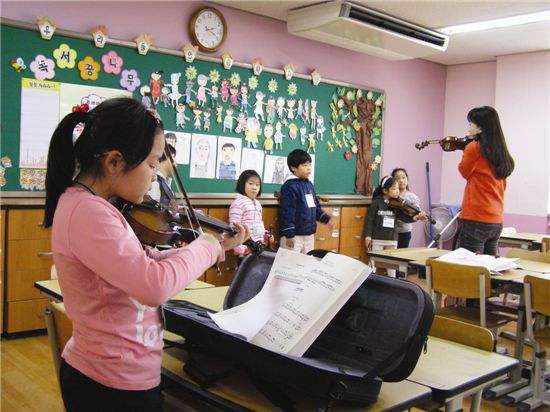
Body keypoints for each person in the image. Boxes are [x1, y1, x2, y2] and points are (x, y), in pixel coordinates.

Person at [43, 97, 248, 412]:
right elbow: (152, 286)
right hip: (109, 385)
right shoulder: (88, 212)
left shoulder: (93, 206)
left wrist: (216, 248)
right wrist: (204, 246)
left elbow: (144, 261)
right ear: (114, 161)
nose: (155, 175)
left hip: (116, 376)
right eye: (152, 163)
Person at [458, 105, 514, 256]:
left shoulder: (474, 148)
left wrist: (466, 148)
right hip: (496, 220)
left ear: (481, 128)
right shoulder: (500, 152)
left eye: (471, 124)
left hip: (476, 217)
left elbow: (464, 172)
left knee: (469, 268)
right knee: (488, 270)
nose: (469, 127)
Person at [364, 176, 427, 276]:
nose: (397, 191)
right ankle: (367, 280)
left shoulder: (397, 205)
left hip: (392, 239)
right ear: (385, 190)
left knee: (392, 265)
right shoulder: (377, 203)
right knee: (373, 263)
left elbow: (404, 217)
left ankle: (393, 282)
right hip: (377, 239)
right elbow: (370, 220)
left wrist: (417, 217)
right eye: (394, 189)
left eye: (398, 188)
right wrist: (368, 236)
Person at [278, 149, 331, 254]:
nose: (308, 168)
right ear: (293, 168)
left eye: (309, 164)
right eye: (304, 165)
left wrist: (326, 219)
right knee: (290, 267)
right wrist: (289, 234)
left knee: (307, 265)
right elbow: (287, 212)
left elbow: (315, 206)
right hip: (294, 237)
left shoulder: (309, 185)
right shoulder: (289, 186)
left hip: (308, 236)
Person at [229, 170, 274, 264]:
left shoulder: (257, 203)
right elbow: (234, 228)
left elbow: (259, 224)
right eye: (251, 184)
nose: (254, 187)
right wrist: (240, 248)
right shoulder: (238, 203)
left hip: (258, 247)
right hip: (244, 248)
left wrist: (266, 235)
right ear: (242, 184)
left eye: (257, 185)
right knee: (244, 276)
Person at [391, 168, 423, 248]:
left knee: (401, 256)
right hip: (390, 231)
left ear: (407, 179)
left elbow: (415, 212)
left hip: (404, 232)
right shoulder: (391, 195)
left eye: (403, 177)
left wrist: (418, 214)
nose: (401, 180)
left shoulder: (412, 197)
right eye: (397, 178)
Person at [147, 141, 176, 205]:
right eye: (174, 157)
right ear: (169, 158)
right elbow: (150, 208)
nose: (176, 162)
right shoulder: (154, 183)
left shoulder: (164, 181)